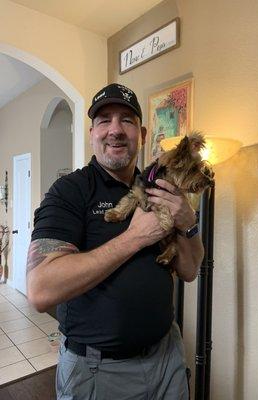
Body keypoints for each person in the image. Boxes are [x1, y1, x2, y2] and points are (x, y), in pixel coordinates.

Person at [26, 83, 204, 400]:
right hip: (96, 371)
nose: (116, 130)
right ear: (92, 131)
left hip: (167, 357)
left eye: (127, 120)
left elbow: (189, 270)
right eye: (105, 119)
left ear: (144, 133)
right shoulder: (70, 191)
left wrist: (189, 223)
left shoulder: (158, 186)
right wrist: (134, 237)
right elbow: (41, 289)